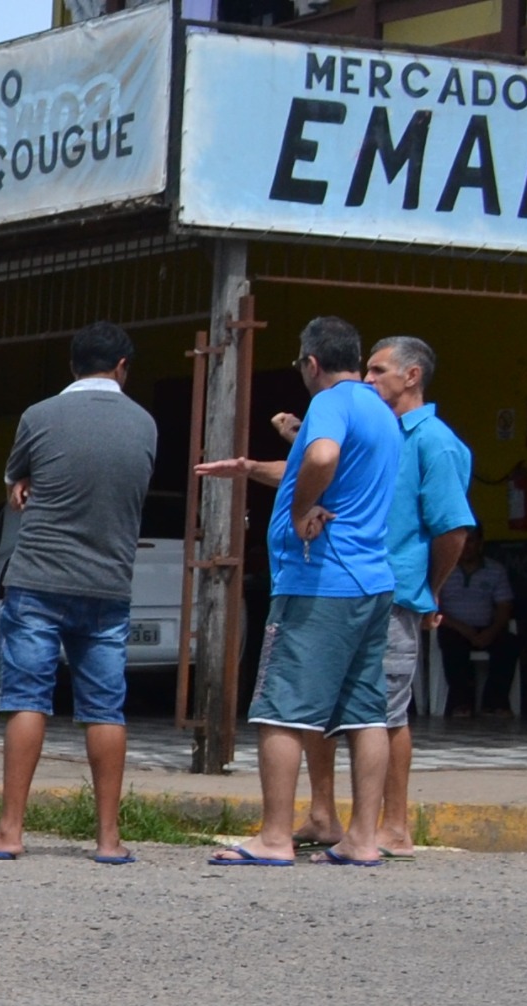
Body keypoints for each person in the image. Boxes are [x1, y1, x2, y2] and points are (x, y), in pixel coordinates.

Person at [195, 314, 404, 867]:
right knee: (364, 714)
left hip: (321, 580)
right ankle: (362, 838)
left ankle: (273, 837)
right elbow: (318, 464)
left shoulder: (331, 403)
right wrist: (250, 467)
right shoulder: (380, 412)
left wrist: (299, 507)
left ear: (312, 364)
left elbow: (321, 460)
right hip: (372, 580)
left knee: (282, 709)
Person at [0, 320, 157, 864]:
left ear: (72, 365)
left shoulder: (40, 415)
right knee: (105, 708)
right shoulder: (144, 424)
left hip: (39, 578)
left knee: (27, 698)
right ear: (122, 368)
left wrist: (24, 484)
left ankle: (9, 831)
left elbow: (17, 484)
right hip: (108, 583)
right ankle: (108, 839)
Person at [365, 334, 474, 856]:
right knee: (359, 711)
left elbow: (452, 528)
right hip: (360, 589)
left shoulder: (434, 441)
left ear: (411, 376)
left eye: (378, 370)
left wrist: (430, 590)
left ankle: (396, 825)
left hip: (398, 593)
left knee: (390, 712)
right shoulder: (383, 433)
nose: (368, 379)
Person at [434, 530, 518, 716]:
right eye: (462, 542)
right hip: (453, 627)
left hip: (487, 628)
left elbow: (504, 606)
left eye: (470, 541)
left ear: (480, 543)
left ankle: (495, 703)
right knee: (452, 646)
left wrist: (491, 631)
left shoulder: (495, 570)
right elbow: (434, 607)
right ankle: (461, 703)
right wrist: (463, 629)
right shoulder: (443, 569)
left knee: (509, 644)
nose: (466, 547)